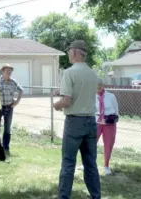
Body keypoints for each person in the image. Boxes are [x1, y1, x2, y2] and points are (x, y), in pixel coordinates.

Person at [53, 40, 100, 199]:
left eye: (68, 52)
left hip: (74, 123)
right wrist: (62, 90)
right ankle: (96, 196)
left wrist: (56, 105)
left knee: (68, 163)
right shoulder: (93, 73)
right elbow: (84, 92)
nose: (68, 55)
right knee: (90, 164)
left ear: (74, 52)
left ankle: (64, 197)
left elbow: (67, 101)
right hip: (91, 122)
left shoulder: (69, 72)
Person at [78, 78, 119, 175]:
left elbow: (116, 111)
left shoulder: (111, 96)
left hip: (109, 124)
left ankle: (106, 165)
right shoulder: (91, 96)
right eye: (96, 85)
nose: (98, 87)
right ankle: (86, 164)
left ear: (103, 85)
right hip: (95, 123)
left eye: (100, 84)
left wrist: (111, 119)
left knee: (108, 145)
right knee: (90, 144)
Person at [0, 63, 23, 156]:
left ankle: (6, 146)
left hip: (9, 107)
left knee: (7, 129)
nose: (9, 72)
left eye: (10, 70)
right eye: (7, 70)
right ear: (3, 71)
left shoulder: (13, 82)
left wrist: (17, 102)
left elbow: (21, 90)